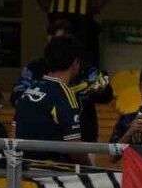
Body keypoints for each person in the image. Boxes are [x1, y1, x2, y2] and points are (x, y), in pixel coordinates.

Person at [10, 19, 113, 142]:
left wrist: (94, 89)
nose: (60, 45)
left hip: (82, 137)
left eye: (64, 40)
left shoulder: (83, 68)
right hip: (42, 139)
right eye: (56, 40)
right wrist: (54, 96)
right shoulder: (35, 68)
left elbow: (106, 93)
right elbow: (17, 97)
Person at [14, 36, 87, 164]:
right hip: (52, 170)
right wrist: (92, 168)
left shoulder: (28, 90)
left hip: (24, 167)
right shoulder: (65, 94)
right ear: (75, 62)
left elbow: (14, 132)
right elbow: (74, 148)